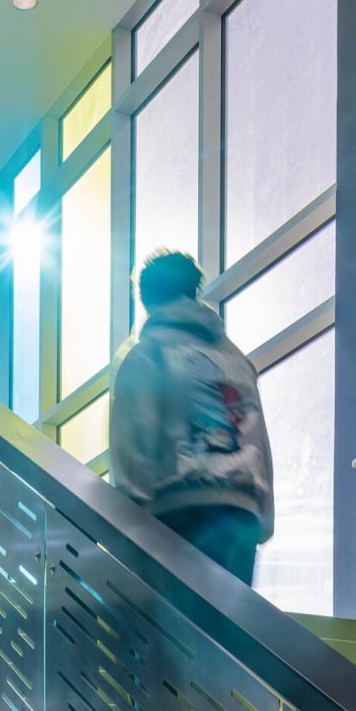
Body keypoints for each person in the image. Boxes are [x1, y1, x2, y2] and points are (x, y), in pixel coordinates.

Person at [108, 249, 274, 585]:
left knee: (177, 616)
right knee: (231, 615)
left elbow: (134, 442)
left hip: (178, 509)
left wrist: (129, 519)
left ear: (146, 300)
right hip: (241, 512)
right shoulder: (237, 361)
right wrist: (264, 517)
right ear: (193, 290)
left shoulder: (148, 354)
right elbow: (258, 439)